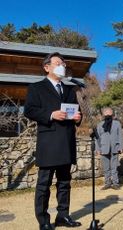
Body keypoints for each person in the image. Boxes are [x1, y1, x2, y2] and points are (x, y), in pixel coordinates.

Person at [24, 52, 82, 230]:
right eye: (58, 63)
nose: (62, 66)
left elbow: (77, 112)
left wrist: (79, 118)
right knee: (44, 184)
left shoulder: (70, 89)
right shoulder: (36, 88)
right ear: (47, 67)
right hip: (48, 142)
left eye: (63, 64)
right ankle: (43, 221)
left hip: (66, 141)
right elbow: (29, 110)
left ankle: (63, 215)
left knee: (65, 182)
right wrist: (51, 114)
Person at [95, 107, 123, 190]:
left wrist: (121, 146)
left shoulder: (117, 123)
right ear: (103, 114)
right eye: (106, 113)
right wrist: (97, 149)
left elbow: (120, 136)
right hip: (103, 148)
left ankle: (115, 183)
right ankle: (107, 183)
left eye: (109, 113)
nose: (108, 115)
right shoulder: (100, 125)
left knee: (114, 167)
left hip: (115, 147)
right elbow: (97, 138)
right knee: (106, 167)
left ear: (112, 114)